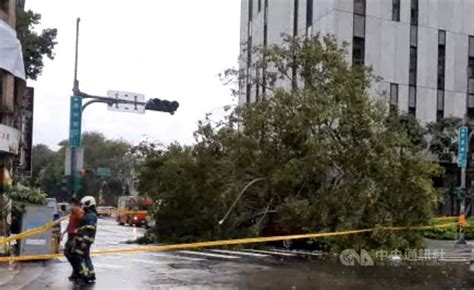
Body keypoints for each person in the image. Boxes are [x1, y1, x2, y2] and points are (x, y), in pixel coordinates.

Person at [73, 196, 98, 284]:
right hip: (85, 240)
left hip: (84, 240)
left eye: (83, 205)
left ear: (88, 204)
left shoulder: (90, 216)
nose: (82, 207)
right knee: (86, 257)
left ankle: (85, 275)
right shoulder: (91, 214)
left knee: (80, 257)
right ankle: (91, 274)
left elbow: (89, 229)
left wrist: (84, 241)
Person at [63, 198, 84, 281]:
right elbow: (70, 224)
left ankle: (78, 272)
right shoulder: (73, 213)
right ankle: (75, 271)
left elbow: (82, 223)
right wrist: (64, 232)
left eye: (70, 205)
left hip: (75, 236)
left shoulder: (79, 212)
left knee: (73, 254)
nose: (69, 206)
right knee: (68, 253)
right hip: (70, 235)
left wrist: (78, 232)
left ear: (74, 204)